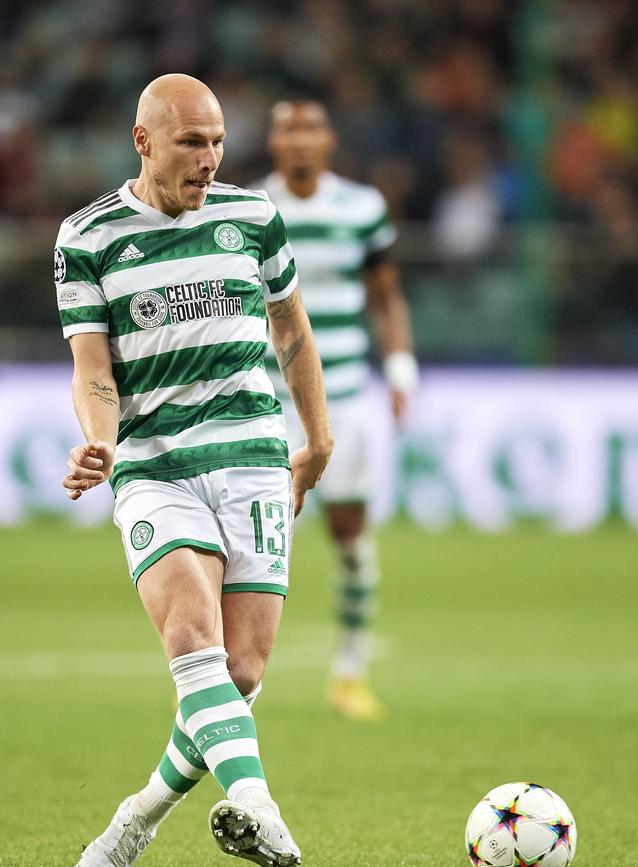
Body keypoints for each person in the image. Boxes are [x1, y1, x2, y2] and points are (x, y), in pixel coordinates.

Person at [55, 74, 333, 867]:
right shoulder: (89, 235)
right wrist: (99, 439)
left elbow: (294, 331)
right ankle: (258, 805)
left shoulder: (254, 217)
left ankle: (133, 821)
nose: (209, 159)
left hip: (252, 459)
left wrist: (317, 437)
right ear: (143, 142)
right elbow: (92, 366)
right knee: (189, 635)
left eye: (217, 142)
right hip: (155, 465)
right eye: (190, 143)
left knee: (238, 673)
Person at [258, 101, 417, 721]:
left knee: (349, 536)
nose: (299, 141)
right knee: (247, 541)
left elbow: (387, 298)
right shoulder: (248, 210)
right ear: (272, 142)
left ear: (330, 140)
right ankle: (213, 673)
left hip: (344, 400)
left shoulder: (362, 208)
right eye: (287, 129)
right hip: (265, 404)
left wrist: (401, 367)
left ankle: (349, 673)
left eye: (310, 129)